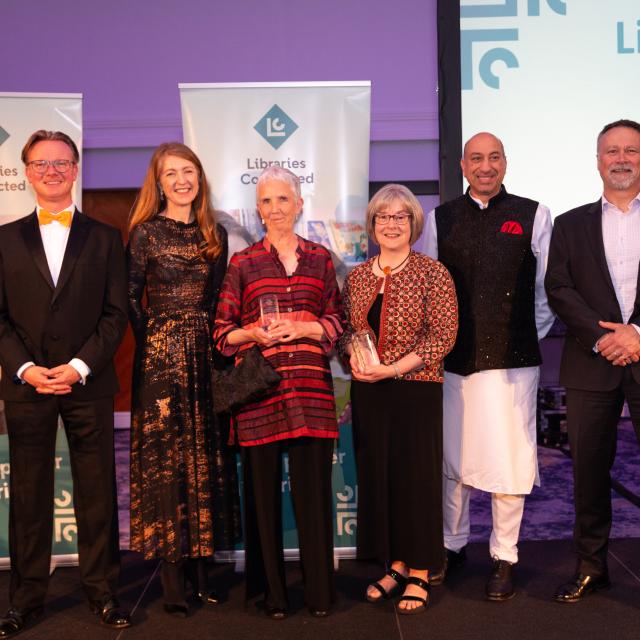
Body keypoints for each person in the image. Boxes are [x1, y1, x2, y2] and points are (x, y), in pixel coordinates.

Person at [0, 130, 130, 636]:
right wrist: (27, 369)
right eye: (41, 164)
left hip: (87, 382)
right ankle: (26, 599)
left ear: (75, 169)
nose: (51, 171)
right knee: (28, 494)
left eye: (61, 163)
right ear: (27, 172)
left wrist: (78, 366)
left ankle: (103, 593)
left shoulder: (104, 237)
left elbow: (115, 314)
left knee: (97, 492)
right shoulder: (4, 239)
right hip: (26, 383)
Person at [424, 132, 554, 600]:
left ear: (505, 163)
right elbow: (430, 290)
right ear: (462, 166)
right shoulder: (440, 219)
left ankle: (505, 556)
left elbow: (546, 292)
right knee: (453, 458)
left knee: (508, 463)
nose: (485, 166)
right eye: (476, 158)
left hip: (513, 364)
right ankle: (453, 545)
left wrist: (521, 335)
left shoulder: (534, 214)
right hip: (454, 362)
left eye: (493, 157)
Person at [213, 166, 343, 619]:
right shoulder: (242, 263)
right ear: (258, 209)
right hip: (259, 396)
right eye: (266, 201)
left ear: (299, 203)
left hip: (310, 394)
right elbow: (221, 334)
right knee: (263, 503)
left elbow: (337, 323)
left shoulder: (322, 260)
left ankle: (320, 594)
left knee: (314, 499)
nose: (275, 209)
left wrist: (305, 327)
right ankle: (273, 594)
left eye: (283, 200)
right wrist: (253, 334)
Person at [127, 142, 240, 617]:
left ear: (200, 176)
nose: (180, 180)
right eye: (170, 173)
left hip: (205, 355)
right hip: (160, 360)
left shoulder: (215, 232)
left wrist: (213, 349)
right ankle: (172, 579)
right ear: (159, 182)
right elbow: (133, 299)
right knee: (166, 463)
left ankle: (201, 572)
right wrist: (156, 343)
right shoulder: (144, 233)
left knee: (204, 460)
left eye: (188, 170)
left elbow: (217, 301)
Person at [339, 184, 457, 614]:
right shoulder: (356, 277)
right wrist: (352, 356)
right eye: (383, 217)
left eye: (400, 217)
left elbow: (442, 336)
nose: (391, 224)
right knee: (380, 479)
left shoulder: (432, 272)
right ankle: (395, 565)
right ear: (372, 225)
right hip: (371, 394)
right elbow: (347, 333)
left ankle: (422, 570)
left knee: (416, 480)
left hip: (416, 389)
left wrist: (392, 368)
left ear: (413, 224)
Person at [545, 119, 640, 602]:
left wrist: (637, 333)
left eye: (631, 150)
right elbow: (558, 288)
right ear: (598, 159)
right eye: (612, 151)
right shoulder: (570, 223)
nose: (621, 159)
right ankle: (591, 566)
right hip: (591, 360)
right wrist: (604, 338)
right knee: (588, 472)